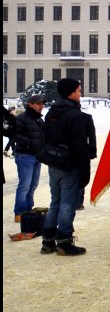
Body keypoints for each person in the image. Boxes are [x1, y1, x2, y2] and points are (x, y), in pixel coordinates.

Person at [40, 78, 97, 256]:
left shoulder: (51, 113)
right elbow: (79, 146)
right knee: (67, 204)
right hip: (69, 164)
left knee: (55, 202)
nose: (81, 94)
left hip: (54, 163)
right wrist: (85, 171)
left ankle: (48, 241)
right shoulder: (75, 116)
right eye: (79, 91)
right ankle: (64, 242)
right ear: (71, 93)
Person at [13, 95, 46, 223]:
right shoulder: (21, 119)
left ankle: (28, 210)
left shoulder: (39, 120)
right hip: (25, 156)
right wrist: (31, 143)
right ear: (30, 104)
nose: (41, 106)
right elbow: (16, 136)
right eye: (38, 103)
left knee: (33, 185)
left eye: (42, 103)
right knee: (24, 185)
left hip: (37, 156)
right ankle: (19, 212)